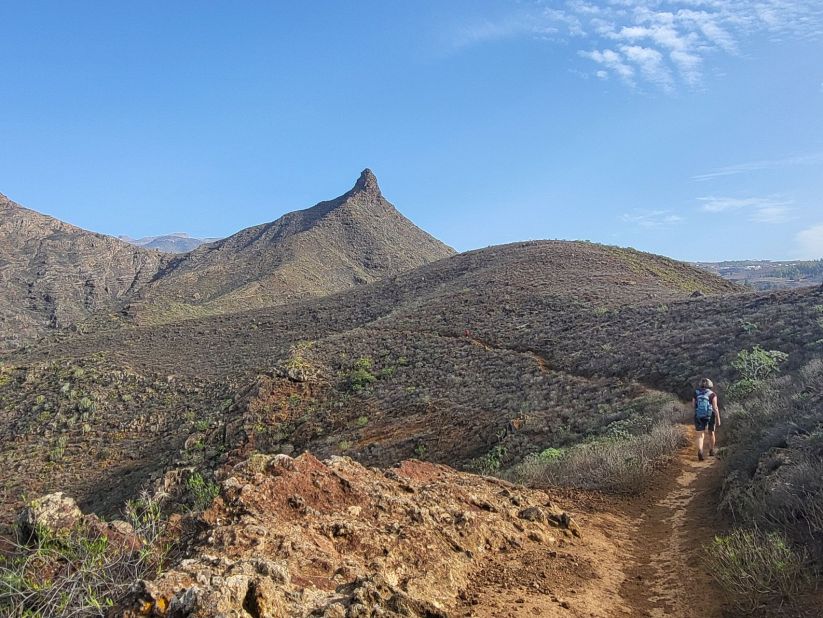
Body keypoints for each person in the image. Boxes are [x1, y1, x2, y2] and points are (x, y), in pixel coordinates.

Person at [693, 378, 721, 461]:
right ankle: (711, 451)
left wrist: (698, 411)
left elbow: (693, 405)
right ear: (710, 384)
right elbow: (715, 407)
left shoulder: (696, 393)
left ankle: (700, 451)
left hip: (698, 415)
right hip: (710, 415)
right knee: (711, 433)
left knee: (700, 435)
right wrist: (718, 419)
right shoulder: (712, 394)